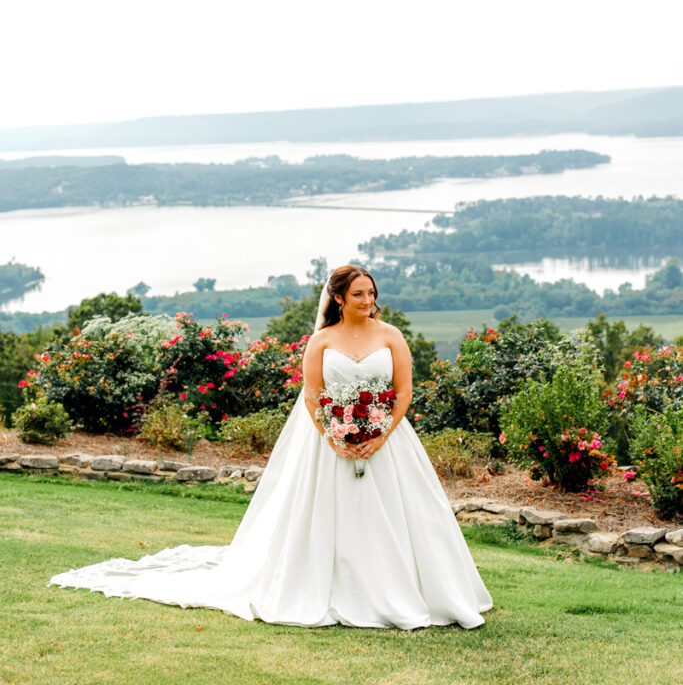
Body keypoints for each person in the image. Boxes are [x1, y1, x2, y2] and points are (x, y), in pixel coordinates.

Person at [49, 264, 493, 630]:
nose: (367, 301)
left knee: (403, 515)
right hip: (330, 447)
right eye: (358, 294)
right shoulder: (321, 342)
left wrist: (379, 433)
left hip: (388, 442)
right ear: (338, 298)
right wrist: (337, 438)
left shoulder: (391, 335)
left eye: (371, 293)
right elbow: (313, 397)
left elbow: (403, 392)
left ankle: (407, 589)